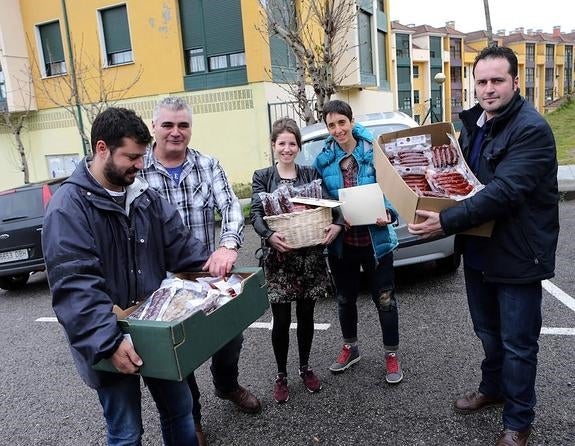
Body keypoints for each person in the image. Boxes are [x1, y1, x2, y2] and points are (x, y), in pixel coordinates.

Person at [408, 46, 559, 446]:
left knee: (518, 344)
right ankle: (492, 389)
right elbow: (466, 180)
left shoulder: (531, 129)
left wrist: (444, 222)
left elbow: (504, 192)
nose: (488, 89)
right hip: (478, 250)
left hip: (518, 253)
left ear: (514, 81)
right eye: (481, 82)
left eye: (496, 81)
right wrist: (434, 173)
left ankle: (518, 421)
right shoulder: (473, 124)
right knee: (488, 333)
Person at [42, 107, 210, 446]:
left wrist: (214, 269)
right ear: (102, 148)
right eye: (131, 157)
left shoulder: (145, 196)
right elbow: (75, 287)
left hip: (155, 329)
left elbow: (179, 246)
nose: (140, 165)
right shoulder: (68, 208)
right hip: (108, 338)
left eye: (142, 156)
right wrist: (109, 342)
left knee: (180, 409)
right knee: (126, 431)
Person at [139, 97, 261, 441]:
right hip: (161, 282)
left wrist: (228, 245)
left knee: (230, 334)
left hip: (209, 273)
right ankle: (191, 417)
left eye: (183, 125)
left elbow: (231, 207)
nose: (176, 133)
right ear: (154, 127)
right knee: (180, 351)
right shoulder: (139, 169)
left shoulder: (208, 165)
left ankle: (226, 384)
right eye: (168, 125)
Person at [250, 117, 342, 403]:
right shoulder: (262, 176)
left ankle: (305, 367)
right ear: (274, 145)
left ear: (298, 147)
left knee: (306, 317)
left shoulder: (309, 173)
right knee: (280, 320)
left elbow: (330, 205)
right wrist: (268, 235)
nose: (287, 149)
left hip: (309, 257)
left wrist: (336, 225)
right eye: (282, 143)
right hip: (279, 257)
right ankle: (281, 375)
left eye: (292, 143)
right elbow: (255, 212)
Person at [313, 99, 404, 384]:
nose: (338, 129)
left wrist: (388, 212)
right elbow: (323, 200)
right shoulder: (322, 160)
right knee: (344, 299)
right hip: (344, 243)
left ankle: (391, 354)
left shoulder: (374, 151)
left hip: (376, 240)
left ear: (351, 121)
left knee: (385, 300)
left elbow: (393, 185)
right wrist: (337, 217)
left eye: (342, 122)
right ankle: (350, 348)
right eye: (332, 125)